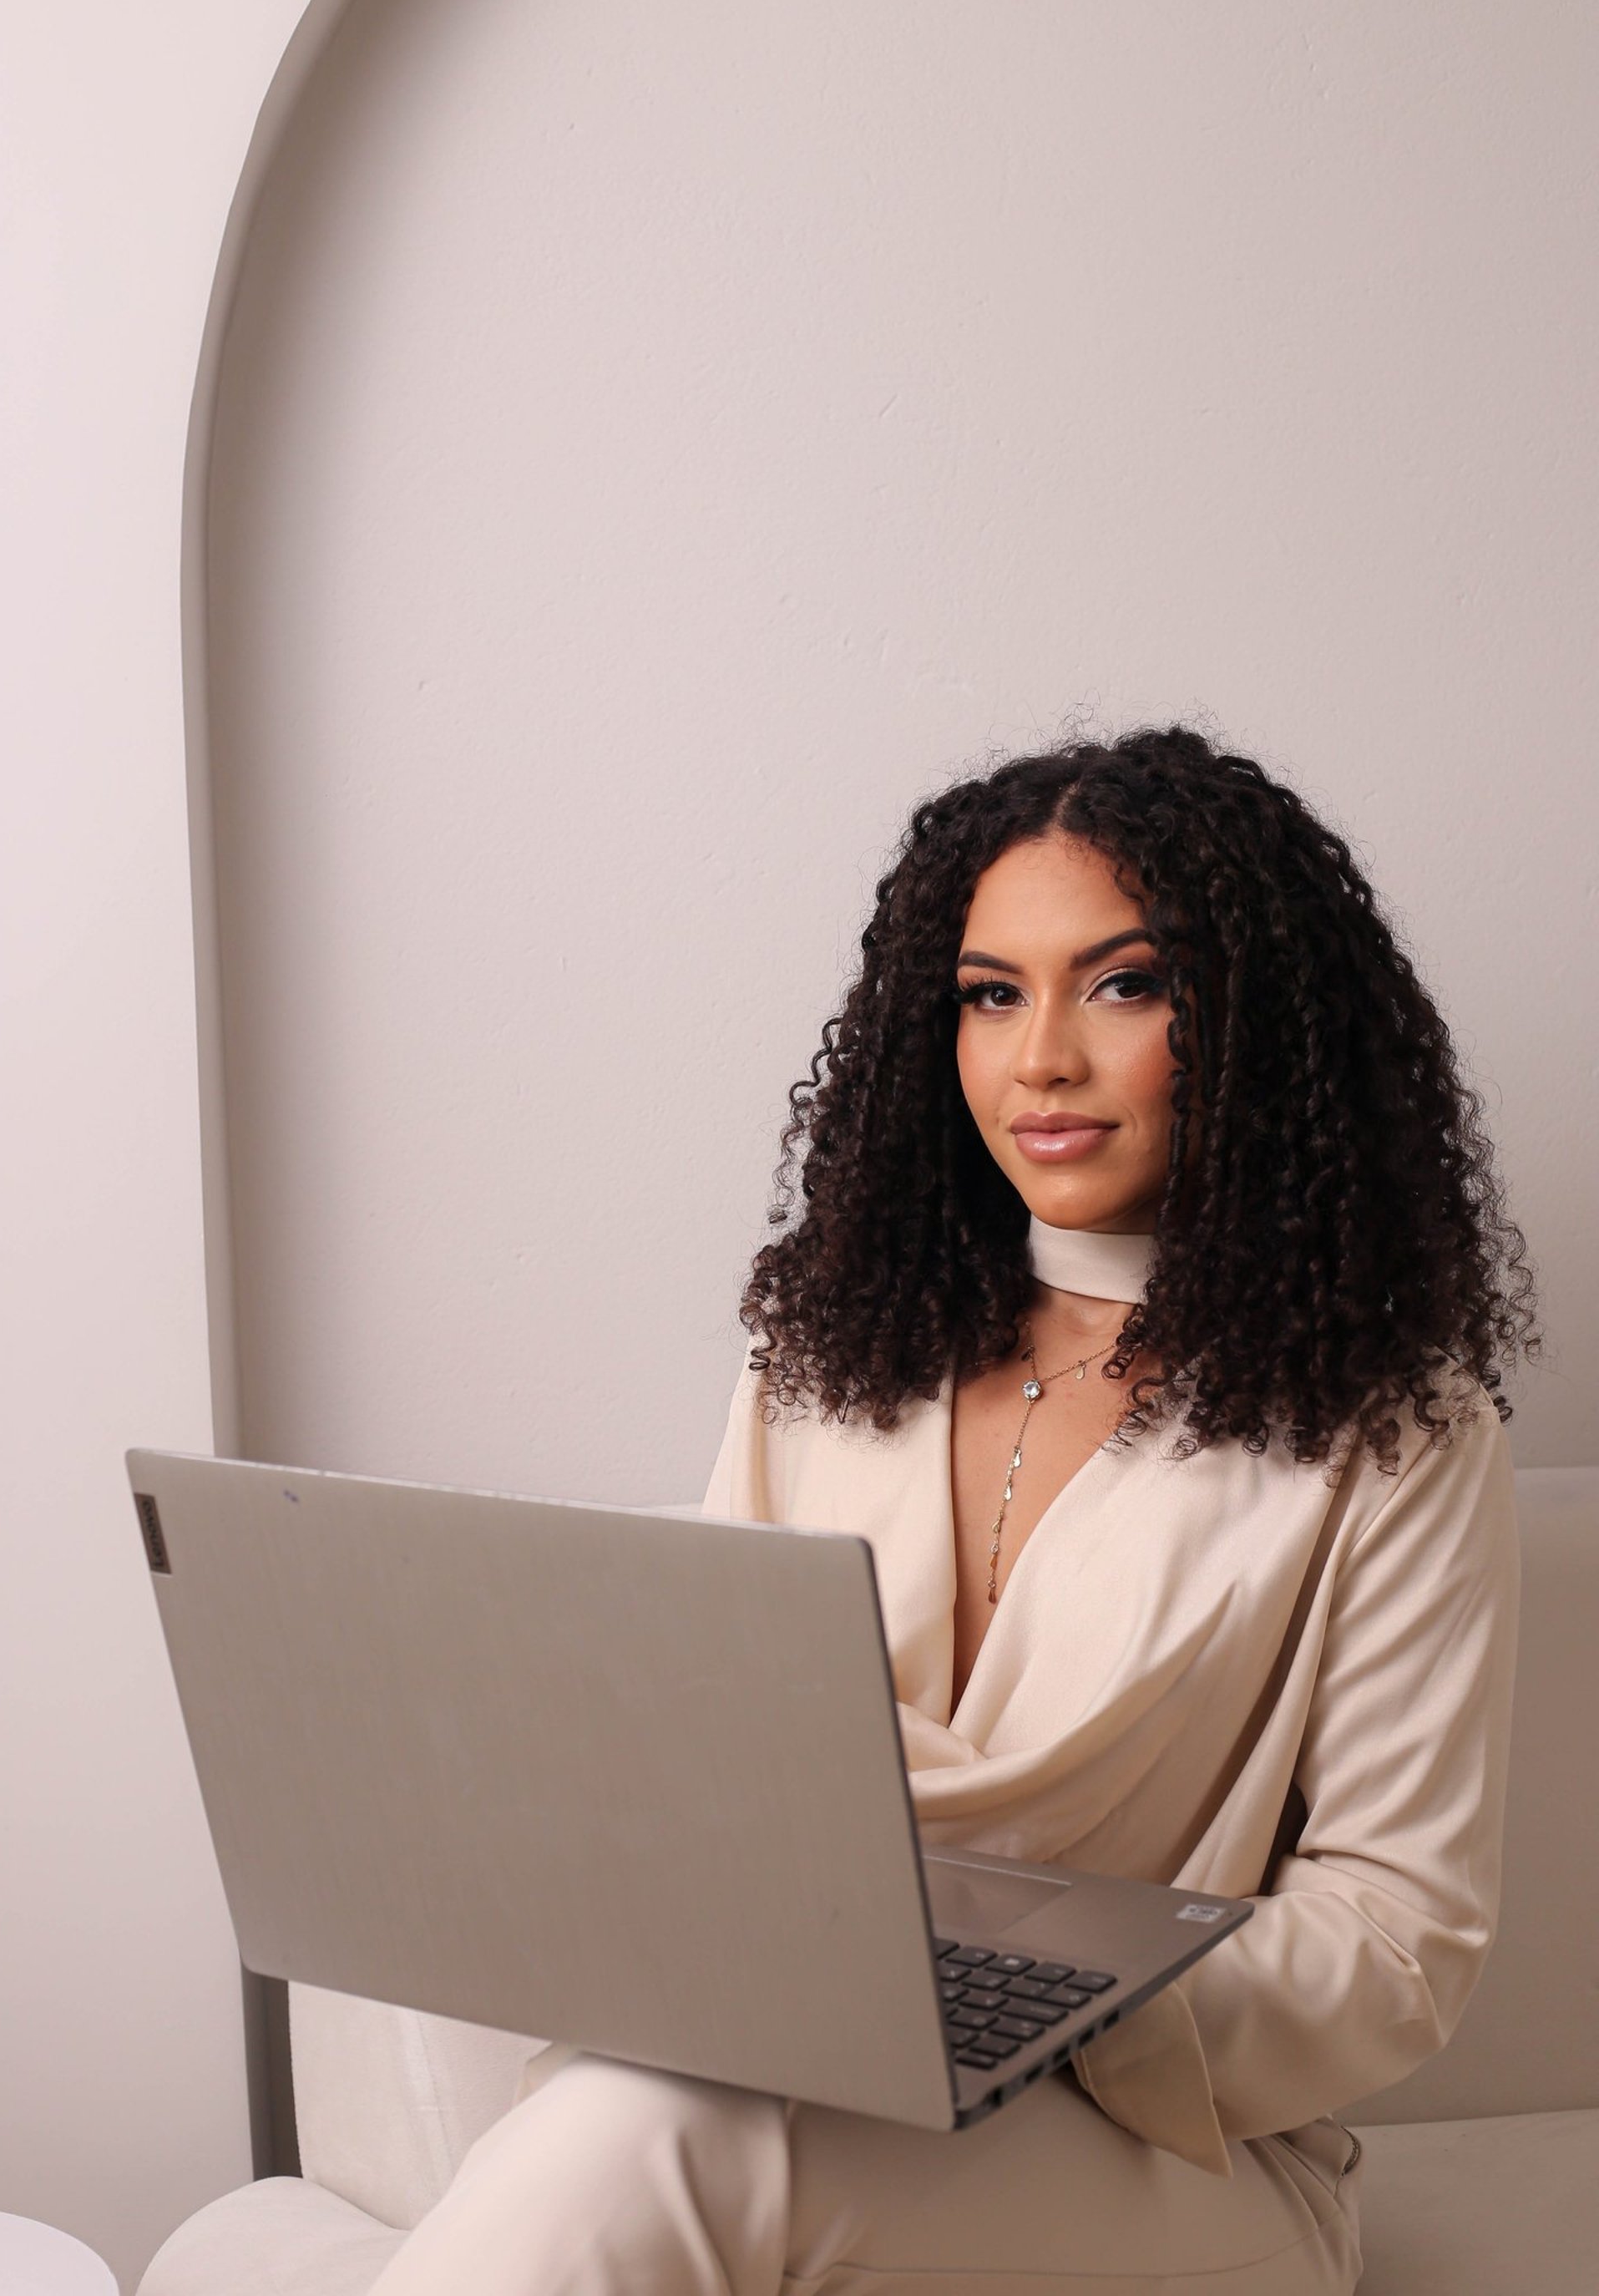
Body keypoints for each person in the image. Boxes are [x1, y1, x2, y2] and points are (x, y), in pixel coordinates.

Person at [367, 724, 1536, 2295]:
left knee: (657, 2138)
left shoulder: (1392, 1436)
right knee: (646, 2112)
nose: (1040, 1055)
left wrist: (1049, 1998)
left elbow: (1399, 1941)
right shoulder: (823, 1363)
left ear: (1260, 1027)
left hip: (1179, 2151)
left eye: (1126, 984)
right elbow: (704, 1765)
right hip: (795, 2068)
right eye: (991, 994)